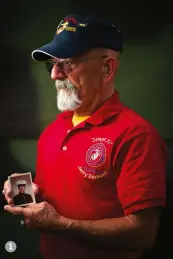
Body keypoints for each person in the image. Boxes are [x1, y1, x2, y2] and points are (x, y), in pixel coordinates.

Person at [3, 14, 167, 259]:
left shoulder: (136, 136)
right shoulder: (52, 132)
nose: (55, 76)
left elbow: (143, 234)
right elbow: (61, 197)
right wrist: (24, 192)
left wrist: (61, 224)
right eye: (52, 64)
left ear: (107, 67)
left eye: (67, 64)